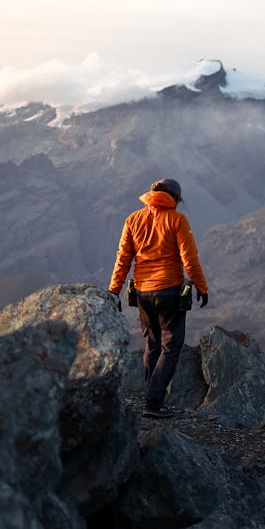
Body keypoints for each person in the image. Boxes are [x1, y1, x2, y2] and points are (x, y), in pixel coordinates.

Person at [108, 178, 209, 416]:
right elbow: (189, 258)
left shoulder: (133, 219)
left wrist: (114, 290)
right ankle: (153, 403)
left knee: (151, 345)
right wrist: (201, 287)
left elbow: (123, 258)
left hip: (142, 292)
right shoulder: (177, 220)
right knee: (171, 345)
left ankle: (150, 398)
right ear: (175, 197)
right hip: (170, 291)